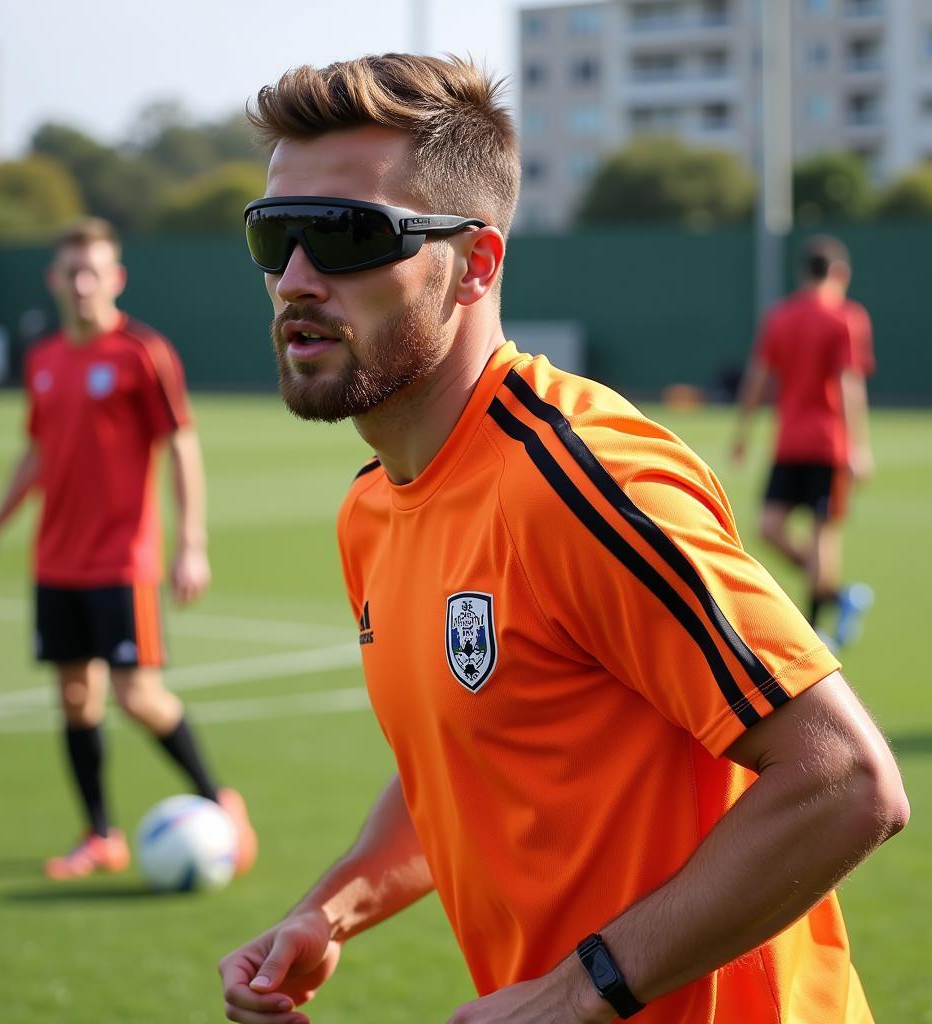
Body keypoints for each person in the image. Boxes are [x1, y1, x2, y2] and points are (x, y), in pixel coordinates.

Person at [219, 55, 908, 1024]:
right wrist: (328, 912)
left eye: (344, 236)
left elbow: (845, 781)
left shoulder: (583, 479)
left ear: (478, 264)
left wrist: (577, 991)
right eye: (275, 234)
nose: (295, 278)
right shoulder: (371, 508)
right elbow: (468, 759)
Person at [0, 217, 256, 880]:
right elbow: (36, 453)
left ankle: (220, 801)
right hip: (55, 561)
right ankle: (100, 835)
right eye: (71, 271)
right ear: (55, 280)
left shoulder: (141, 353)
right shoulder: (43, 360)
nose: (82, 282)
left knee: (137, 695)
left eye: (94, 270)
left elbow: (181, 441)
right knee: (75, 698)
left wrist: (191, 541)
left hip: (121, 561)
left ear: (116, 278)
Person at [732, 236, 876, 649]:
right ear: (840, 274)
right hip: (815, 444)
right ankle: (837, 596)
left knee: (785, 531)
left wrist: (742, 433)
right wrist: (859, 447)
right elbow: (851, 385)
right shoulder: (845, 316)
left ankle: (817, 631)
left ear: (802, 273)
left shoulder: (781, 316)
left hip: (816, 444)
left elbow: (756, 381)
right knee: (789, 533)